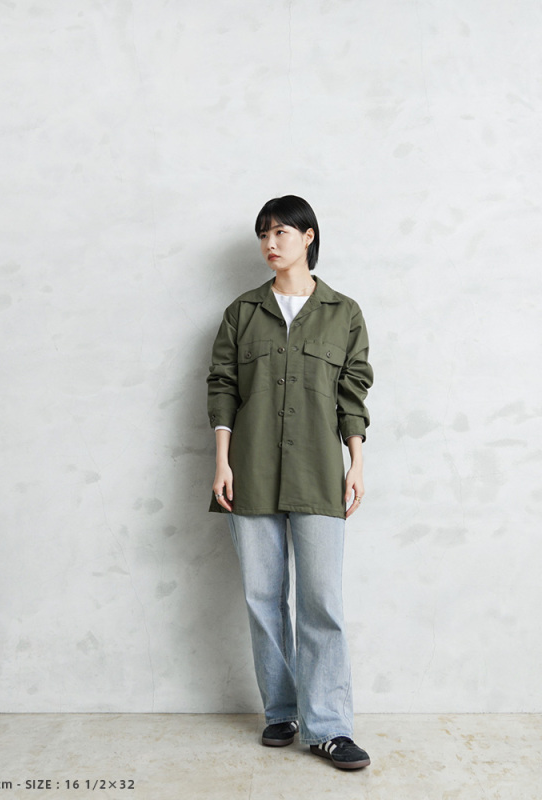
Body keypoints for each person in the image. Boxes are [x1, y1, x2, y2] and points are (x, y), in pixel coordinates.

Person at [206, 195, 374, 771]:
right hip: (249, 470)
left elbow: (352, 392)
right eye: (263, 234)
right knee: (262, 599)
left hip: (319, 474)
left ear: (308, 237)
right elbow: (223, 385)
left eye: (280, 232)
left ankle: (329, 727)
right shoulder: (242, 313)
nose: (269, 243)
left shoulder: (343, 313)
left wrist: (356, 463)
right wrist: (222, 462)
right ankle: (281, 711)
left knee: (321, 601)